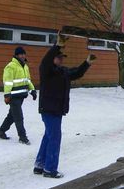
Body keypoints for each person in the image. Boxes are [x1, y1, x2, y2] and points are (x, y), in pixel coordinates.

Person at [34, 34, 95, 178]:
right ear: (53, 58)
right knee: (54, 137)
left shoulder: (63, 71)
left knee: (49, 136)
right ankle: (50, 169)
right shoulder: (46, 70)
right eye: (59, 57)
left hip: (57, 110)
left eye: (62, 58)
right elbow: (46, 60)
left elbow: (76, 72)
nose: (61, 60)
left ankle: (40, 164)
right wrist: (57, 46)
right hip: (49, 109)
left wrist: (87, 63)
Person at [0, 47, 36, 145]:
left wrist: (32, 90)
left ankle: (1, 131)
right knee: (19, 117)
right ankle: (22, 137)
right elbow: (8, 82)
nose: (23, 56)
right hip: (13, 97)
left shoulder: (25, 66)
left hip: (21, 95)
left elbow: (28, 81)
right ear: (16, 55)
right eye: (21, 54)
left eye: (24, 54)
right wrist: (7, 95)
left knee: (12, 116)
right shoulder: (11, 66)